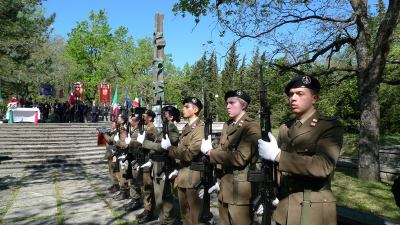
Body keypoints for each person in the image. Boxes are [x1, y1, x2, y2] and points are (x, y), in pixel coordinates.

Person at [257, 75, 343, 225]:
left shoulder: (329, 126)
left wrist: (277, 155)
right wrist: (270, 190)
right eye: (291, 94)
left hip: (311, 209)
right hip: (284, 207)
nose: (293, 98)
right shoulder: (285, 128)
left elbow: (323, 166)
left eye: (300, 93)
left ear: (315, 98)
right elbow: (276, 167)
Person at [200, 90, 260, 225]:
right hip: (224, 185)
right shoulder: (228, 124)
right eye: (227, 103)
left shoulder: (251, 126)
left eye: (232, 103)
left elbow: (240, 158)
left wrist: (211, 153)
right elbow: (223, 150)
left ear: (243, 105)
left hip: (240, 190)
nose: (227, 106)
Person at [162, 97, 204, 225]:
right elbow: (181, 150)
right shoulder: (187, 127)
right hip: (182, 176)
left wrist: (170, 148)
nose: (183, 109)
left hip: (193, 178)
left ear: (195, 110)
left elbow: (190, 154)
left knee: (194, 217)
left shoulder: (200, 128)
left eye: (187, 107)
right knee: (185, 215)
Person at [141, 105, 181, 225]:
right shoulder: (163, 128)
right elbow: (154, 146)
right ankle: (164, 220)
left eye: (166, 113)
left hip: (164, 166)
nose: (163, 115)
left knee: (165, 199)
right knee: (159, 198)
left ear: (172, 116)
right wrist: (154, 146)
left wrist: (150, 144)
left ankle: (169, 221)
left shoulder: (172, 128)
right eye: (163, 113)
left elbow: (166, 146)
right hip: (156, 165)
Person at [135, 109, 158, 223]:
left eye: (145, 116)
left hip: (148, 160)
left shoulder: (152, 129)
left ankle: (150, 212)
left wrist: (143, 136)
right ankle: (146, 209)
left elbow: (150, 142)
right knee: (144, 187)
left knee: (148, 188)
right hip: (142, 160)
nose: (143, 118)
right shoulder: (145, 128)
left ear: (150, 118)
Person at [103, 120, 120, 193]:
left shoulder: (117, 132)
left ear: (116, 125)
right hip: (110, 153)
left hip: (114, 154)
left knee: (113, 169)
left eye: (113, 124)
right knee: (110, 170)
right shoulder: (112, 131)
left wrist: (104, 133)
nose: (111, 125)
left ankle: (116, 185)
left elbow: (110, 140)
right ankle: (114, 184)